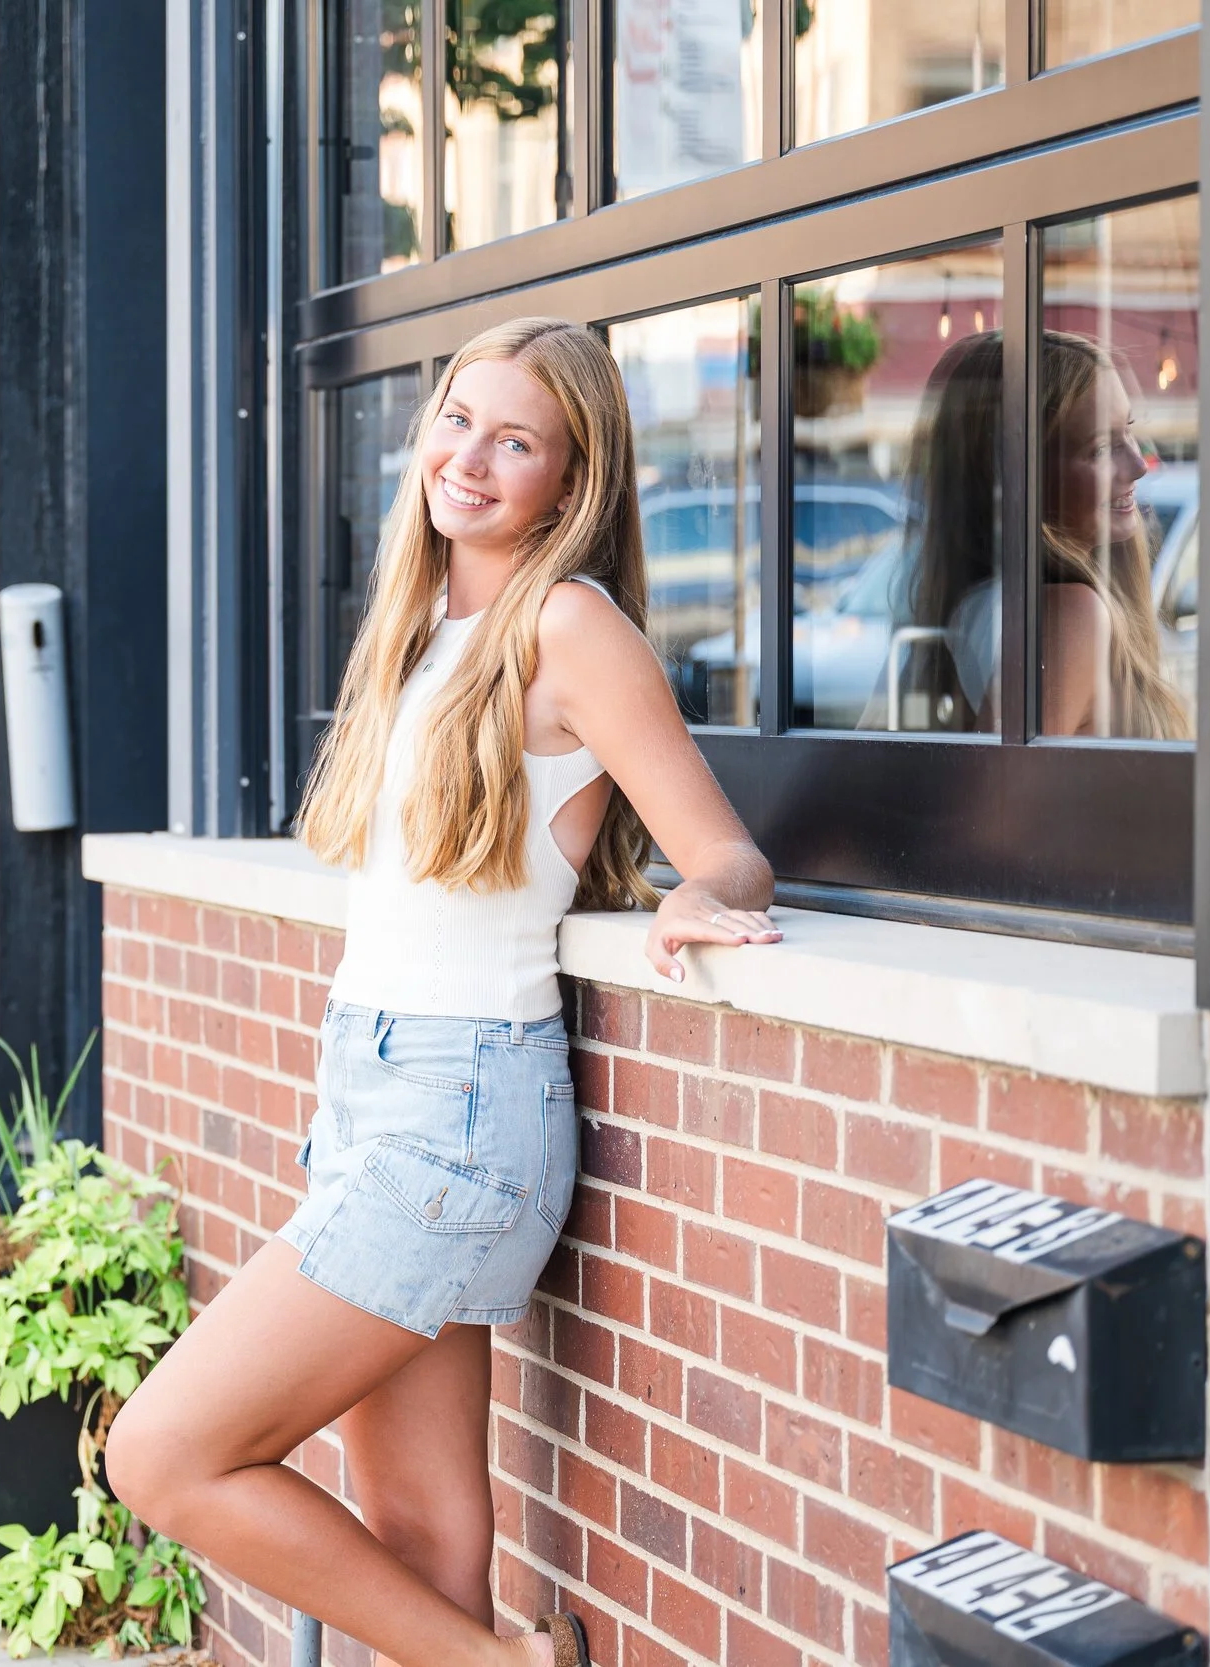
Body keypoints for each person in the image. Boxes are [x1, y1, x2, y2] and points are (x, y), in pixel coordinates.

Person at [105, 318, 781, 1667]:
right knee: (417, 1542)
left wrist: (706, 898)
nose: (469, 457)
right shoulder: (422, 622)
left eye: (514, 439)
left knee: (161, 1452)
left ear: (569, 478)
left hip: (459, 1109)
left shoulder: (568, 625)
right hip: (376, 1087)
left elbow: (727, 849)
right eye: (457, 420)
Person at [907, 329, 1192, 739]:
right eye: (1100, 448)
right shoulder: (1068, 615)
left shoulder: (1002, 606)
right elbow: (1004, 794)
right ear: (1019, 476)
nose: (1138, 464)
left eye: (1128, 430)